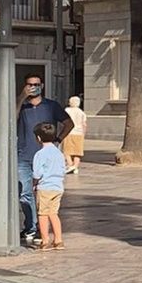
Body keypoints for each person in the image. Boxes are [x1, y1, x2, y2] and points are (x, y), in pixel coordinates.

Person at [17, 74, 73, 243]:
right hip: (24, 156)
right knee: (25, 194)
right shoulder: (22, 105)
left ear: (42, 86)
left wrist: (57, 140)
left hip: (45, 158)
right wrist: (21, 97)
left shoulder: (51, 105)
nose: (33, 87)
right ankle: (31, 226)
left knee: (44, 193)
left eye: (36, 84)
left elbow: (69, 123)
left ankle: (43, 229)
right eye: (30, 84)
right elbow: (10, 118)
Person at [31, 122, 67, 250]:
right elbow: (63, 169)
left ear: (38, 138)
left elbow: (37, 173)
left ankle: (45, 240)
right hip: (57, 187)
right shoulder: (58, 153)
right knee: (54, 213)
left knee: (42, 214)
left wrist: (34, 184)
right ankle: (58, 240)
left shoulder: (40, 154)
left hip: (44, 187)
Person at [62, 96, 87, 174]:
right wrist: (84, 134)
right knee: (77, 151)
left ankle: (70, 165)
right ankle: (75, 167)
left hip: (68, 132)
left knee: (67, 151)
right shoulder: (81, 112)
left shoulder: (67, 110)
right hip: (79, 133)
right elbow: (84, 124)